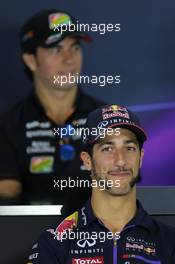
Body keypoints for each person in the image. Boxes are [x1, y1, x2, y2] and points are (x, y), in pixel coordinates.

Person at [26, 104, 175, 263]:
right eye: (107, 148)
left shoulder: (169, 242)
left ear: (141, 158)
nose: (120, 160)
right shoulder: (54, 243)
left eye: (129, 148)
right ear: (87, 160)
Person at [0, 9, 105, 205]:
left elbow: (123, 192)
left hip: (98, 234)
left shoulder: (107, 118)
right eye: (56, 49)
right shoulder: (8, 125)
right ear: (31, 60)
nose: (69, 59)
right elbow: (7, 207)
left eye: (75, 47)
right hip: (28, 234)